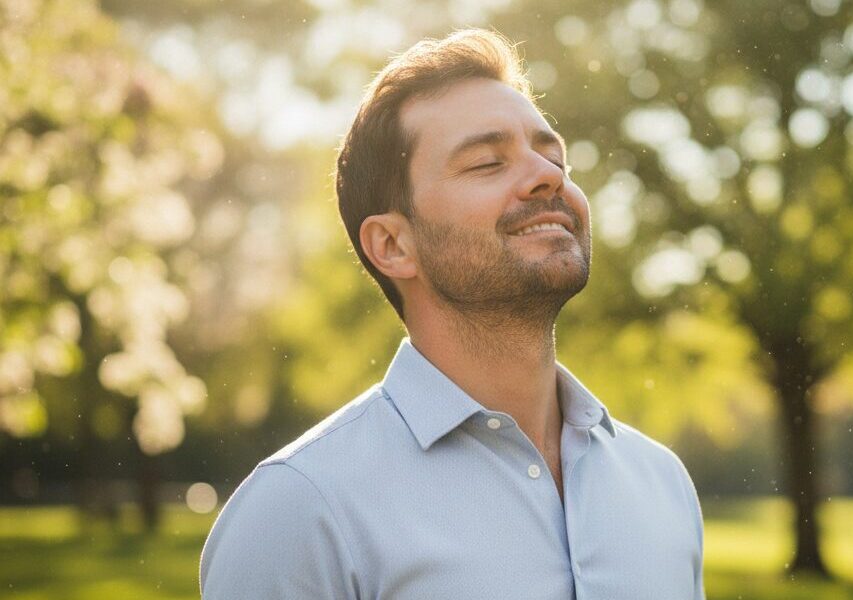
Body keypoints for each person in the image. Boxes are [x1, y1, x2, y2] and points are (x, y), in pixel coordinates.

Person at [200, 28, 704, 599]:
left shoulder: (662, 484)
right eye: (488, 162)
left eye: (553, 156)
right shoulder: (302, 509)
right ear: (393, 245)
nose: (549, 175)